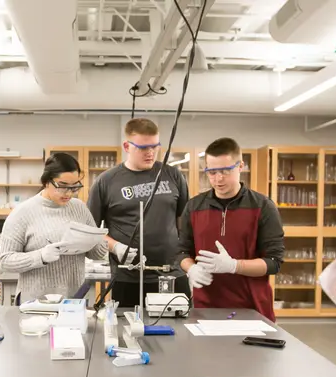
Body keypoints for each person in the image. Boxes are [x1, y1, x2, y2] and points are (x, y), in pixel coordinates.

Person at [178, 138, 284, 321]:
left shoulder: (262, 207)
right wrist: (191, 269)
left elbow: (274, 262)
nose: (218, 178)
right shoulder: (194, 207)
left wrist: (234, 266)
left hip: (253, 310)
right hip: (205, 310)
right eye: (212, 172)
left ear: (240, 166)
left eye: (225, 171)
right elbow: (180, 252)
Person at [88, 118, 190, 307]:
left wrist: (188, 259)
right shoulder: (106, 182)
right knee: (127, 332)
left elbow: (185, 223)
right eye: (143, 148)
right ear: (127, 146)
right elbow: (90, 232)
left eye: (155, 146)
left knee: (179, 332)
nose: (150, 153)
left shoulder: (173, 175)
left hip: (172, 275)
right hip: (127, 277)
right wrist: (116, 246)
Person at [0, 153, 108, 303]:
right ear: (46, 181)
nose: (69, 193)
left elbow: (96, 254)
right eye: (62, 186)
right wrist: (40, 256)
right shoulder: (22, 213)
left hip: (74, 301)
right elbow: (5, 261)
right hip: (36, 303)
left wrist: (97, 239)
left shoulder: (80, 208)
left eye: (74, 187)